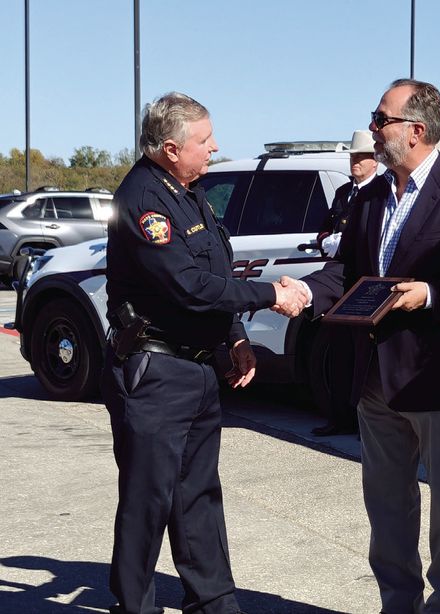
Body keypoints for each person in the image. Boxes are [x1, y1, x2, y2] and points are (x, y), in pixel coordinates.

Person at [282, 78, 440, 613]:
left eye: (380, 118)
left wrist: (430, 294)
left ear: (416, 130)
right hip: (374, 380)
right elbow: (347, 273)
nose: (372, 127)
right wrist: (304, 291)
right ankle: (398, 602)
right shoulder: (367, 199)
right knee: (386, 506)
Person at [101, 92, 306, 614]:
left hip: (194, 368)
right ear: (171, 149)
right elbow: (188, 286)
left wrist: (235, 336)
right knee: (149, 501)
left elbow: (214, 277)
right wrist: (270, 296)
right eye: (204, 140)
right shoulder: (144, 199)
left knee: (198, 498)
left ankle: (213, 601)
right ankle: (135, 606)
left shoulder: (187, 192)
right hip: (154, 370)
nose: (215, 147)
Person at [311, 130, 380, 437]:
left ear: (375, 160)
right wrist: (332, 241)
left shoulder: (378, 192)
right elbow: (323, 233)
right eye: (353, 156)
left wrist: (344, 241)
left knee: (360, 352)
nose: (355, 162)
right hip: (337, 274)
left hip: (360, 279)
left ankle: (362, 417)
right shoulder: (344, 193)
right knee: (337, 350)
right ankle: (340, 416)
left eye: (361, 157)